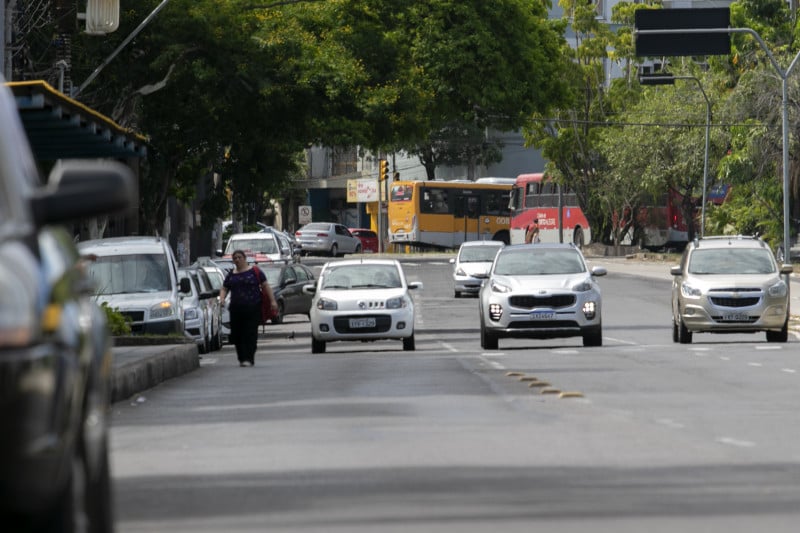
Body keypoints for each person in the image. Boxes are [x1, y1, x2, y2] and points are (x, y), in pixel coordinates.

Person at [219, 250, 277, 367]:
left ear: (245, 259)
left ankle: (249, 358)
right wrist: (222, 298)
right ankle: (242, 358)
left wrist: (272, 301)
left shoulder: (255, 271)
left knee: (250, 333)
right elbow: (224, 288)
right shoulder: (231, 274)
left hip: (253, 307)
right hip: (236, 309)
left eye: (239, 257)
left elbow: (265, 286)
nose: (237, 260)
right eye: (235, 258)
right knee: (236, 334)